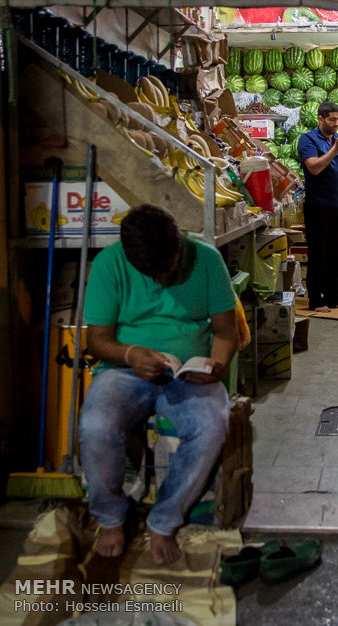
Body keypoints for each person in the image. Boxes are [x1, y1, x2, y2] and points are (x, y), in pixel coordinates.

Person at [79, 204, 238, 565]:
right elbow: (97, 340)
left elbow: (226, 332)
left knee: (212, 426)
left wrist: (216, 364)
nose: (161, 279)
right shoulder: (109, 263)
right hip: (123, 370)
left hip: (190, 373)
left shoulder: (207, 260)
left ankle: (164, 520)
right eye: (150, 273)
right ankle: (110, 517)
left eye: (167, 268)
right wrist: (131, 353)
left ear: (179, 243)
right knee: (95, 427)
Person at [297, 101, 338, 312]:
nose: (336, 123)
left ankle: (334, 298)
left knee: (337, 254)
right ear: (321, 119)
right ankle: (316, 300)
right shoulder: (308, 140)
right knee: (318, 254)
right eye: (332, 119)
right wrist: (336, 148)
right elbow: (314, 167)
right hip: (317, 207)